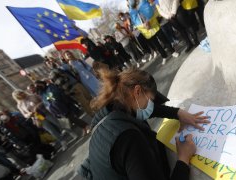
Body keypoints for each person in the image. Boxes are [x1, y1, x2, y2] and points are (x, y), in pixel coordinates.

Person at [78, 68, 209, 179]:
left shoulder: (110, 109)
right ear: (137, 91)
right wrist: (183, 158)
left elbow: (145, 110)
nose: (151, 106)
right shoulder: (129, 139)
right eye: (151, 100)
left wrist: (178, 113)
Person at [129, 0, 180, 65]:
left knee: (164, 40)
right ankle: (164, 56)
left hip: (154, 25)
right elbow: (135, 22)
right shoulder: (132, 11)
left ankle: (172, 52)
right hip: (146, 31)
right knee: (157, 45)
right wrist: (143, 26)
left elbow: (150, 11)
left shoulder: (143, 2)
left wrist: (148, 21)